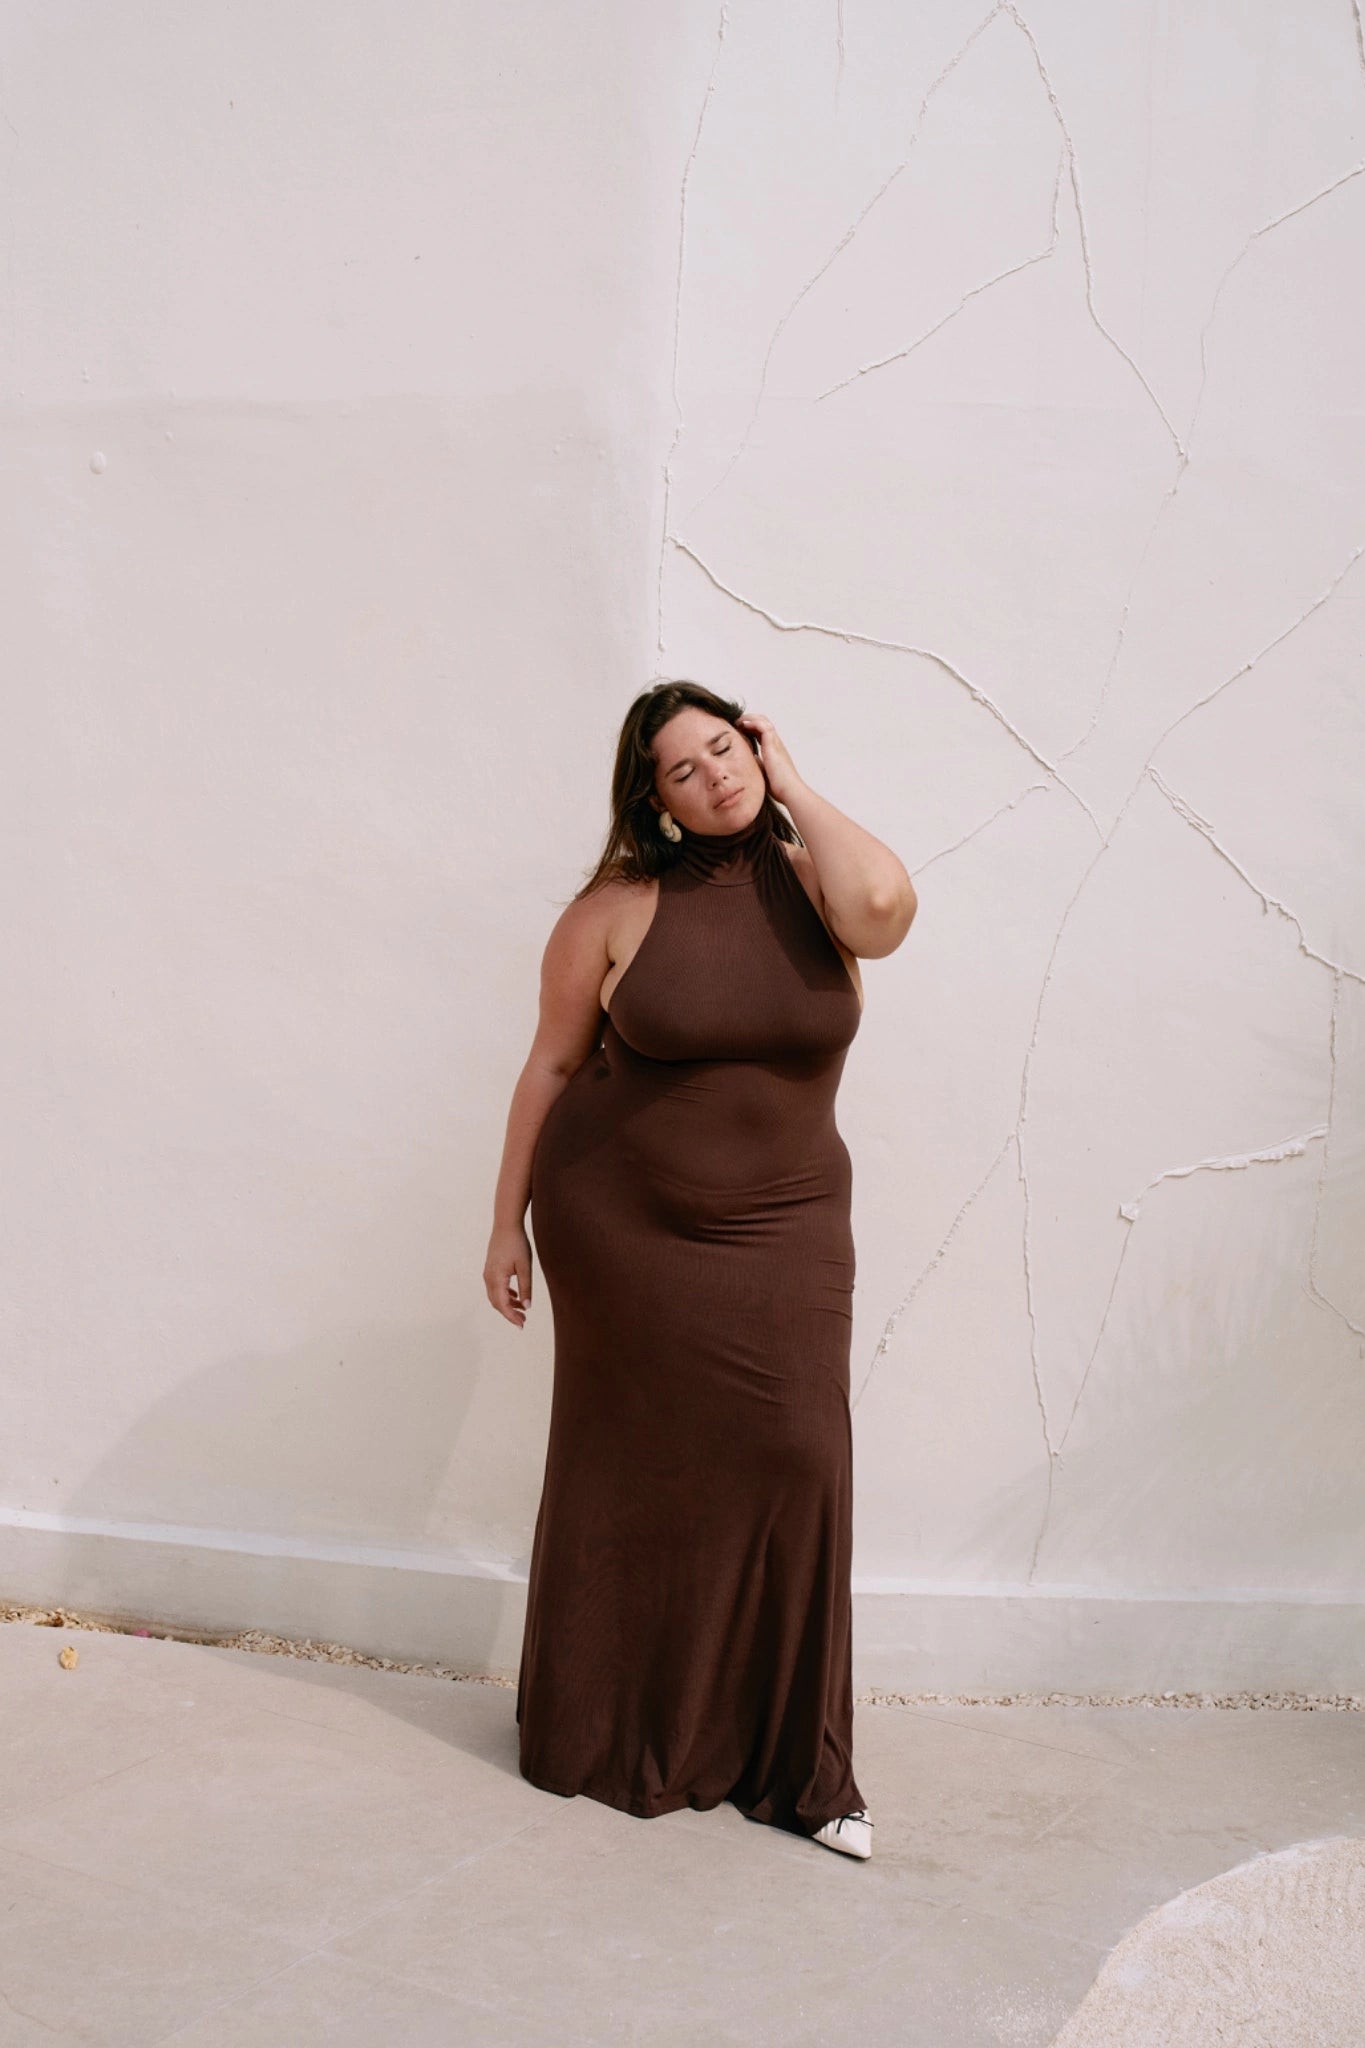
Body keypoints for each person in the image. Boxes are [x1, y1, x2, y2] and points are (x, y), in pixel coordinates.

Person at [483, 681, 916, 1860]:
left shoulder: (817, 884)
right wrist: (506, 1220)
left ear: (756, 745)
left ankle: (805, 1767)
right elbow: (549, 1067)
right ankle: (601, 1721)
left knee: (798, 1452)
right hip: (621, 1222)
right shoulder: (619, 908)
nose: (713, 774)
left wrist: (796, 784)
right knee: (630, 1461)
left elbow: (887, 905)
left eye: (725, 747)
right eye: (683, 768)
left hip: (788, 1219)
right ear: (655, 798)